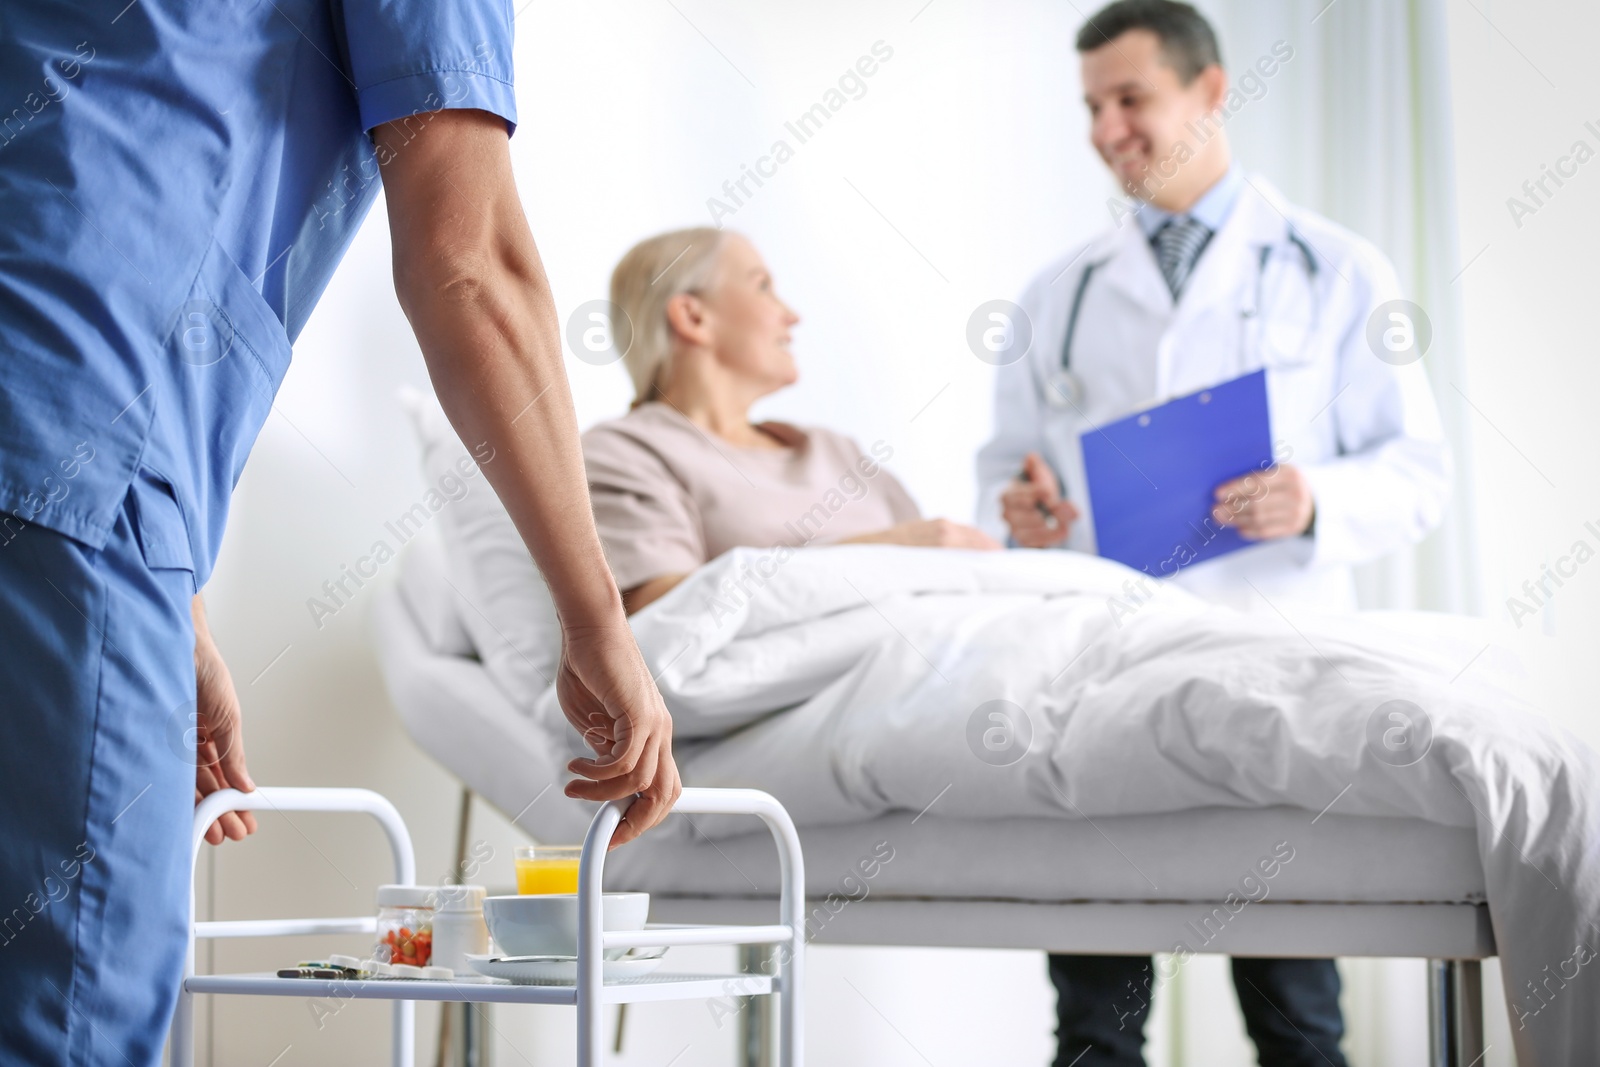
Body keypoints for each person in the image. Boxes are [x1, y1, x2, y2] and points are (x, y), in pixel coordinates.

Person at [0, 3, 678, 1062]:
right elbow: (469, 267)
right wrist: (594, 612)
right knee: (63, 1017)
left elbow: (89, 148)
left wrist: (169, 590)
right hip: (76, 459)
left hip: (73, 472)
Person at [973, 2, 1450, 1065]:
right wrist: (1023, 511)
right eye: (1091, 107)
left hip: (1271, 664)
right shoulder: (1059, 295)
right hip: (1105, 672)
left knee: (1295, 1016)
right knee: (1095, 1018)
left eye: (1130, 99)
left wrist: (1313, 497)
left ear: (1211, 90)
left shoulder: (1336, 270)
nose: (1106, 130)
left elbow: (1419, 474)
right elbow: (1005, 476)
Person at [581, 227, 998, 615]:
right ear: (693, 317)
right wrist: (878, 551)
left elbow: (944, 567)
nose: (791, 316)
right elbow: (659, 616)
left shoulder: (837, 450)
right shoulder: (626, 452)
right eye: (763, 287)